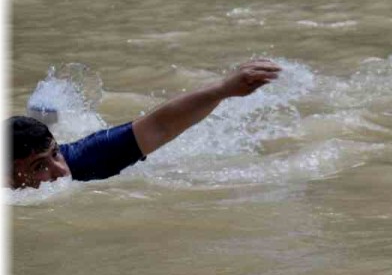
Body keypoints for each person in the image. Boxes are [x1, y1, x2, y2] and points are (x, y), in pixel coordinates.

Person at [8, 59, 281, 189]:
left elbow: (159, 126)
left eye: (54, 154)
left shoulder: (81, 160)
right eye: (40, 167)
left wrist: (223, 89)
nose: (60, 170)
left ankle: (47, 112)